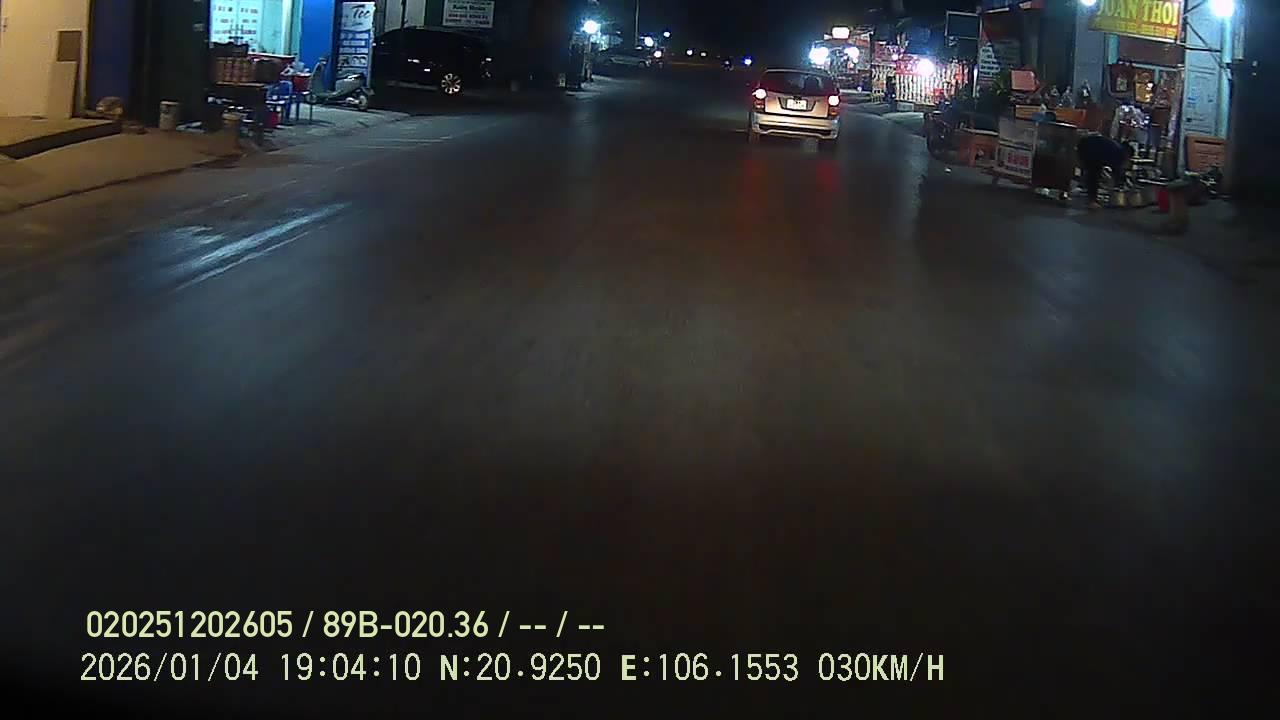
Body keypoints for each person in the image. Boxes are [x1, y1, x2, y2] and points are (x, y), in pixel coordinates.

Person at [1077, 133, 1134, 209]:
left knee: (1093, 173)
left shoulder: (1117, 148)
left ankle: (1090, 196)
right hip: (1091, 149)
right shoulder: (1120, 153)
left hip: (1086, 144)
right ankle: (1092, 201)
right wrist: (1118, 183)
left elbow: (1113, 170)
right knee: (1094, 175)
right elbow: (1116, 171)